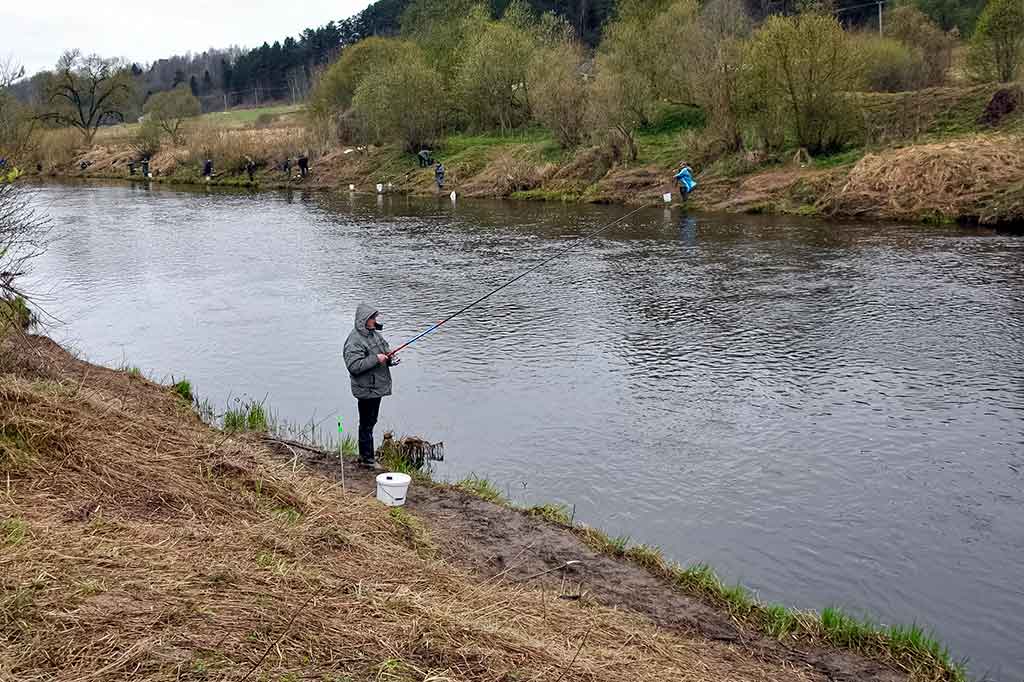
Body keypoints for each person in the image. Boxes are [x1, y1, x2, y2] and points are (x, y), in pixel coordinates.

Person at [343, 303, 401, 467]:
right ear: (364, 320)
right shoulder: (354, 341)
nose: (375, 320)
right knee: (367, 423)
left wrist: (390, 358)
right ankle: (367, 459)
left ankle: (366, 457)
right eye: (372, 318)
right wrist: (376, 359)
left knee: (371, 421)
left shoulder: (374, 335)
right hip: (366, 389)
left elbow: (384, 352)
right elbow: (354, 366)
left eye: (375, 317)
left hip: (376, 387)